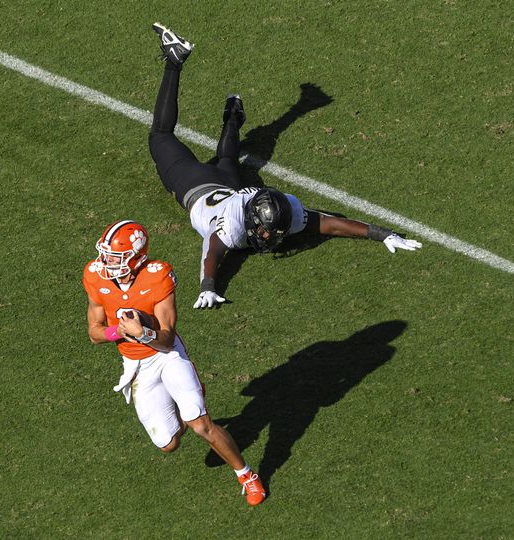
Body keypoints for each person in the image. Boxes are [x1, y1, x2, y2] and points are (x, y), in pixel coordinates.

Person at [149, 23, 423, 309]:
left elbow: (328, 223)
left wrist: (382, 234)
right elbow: (212, 252)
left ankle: (233, 116)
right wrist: (208, 286)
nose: (272, 236)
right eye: (268, 231)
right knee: (160, 135)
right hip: (195, 185)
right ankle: (174, 61)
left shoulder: (283, 212)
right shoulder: (230, 226)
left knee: (228, 161)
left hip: (229, 185)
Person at [82, 219, 267, 506]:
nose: (106, 262)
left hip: (167, 357)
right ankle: (188, 406)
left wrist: (142, 332)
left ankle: (247, 475)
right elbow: (94, 333)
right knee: (168, 444)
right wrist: (117, 331)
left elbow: (166, 339)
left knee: (201, 425)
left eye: (116, 257)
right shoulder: (95, 276)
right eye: (106, 254)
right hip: (136, 366)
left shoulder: (157, 275)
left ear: (137, 256)